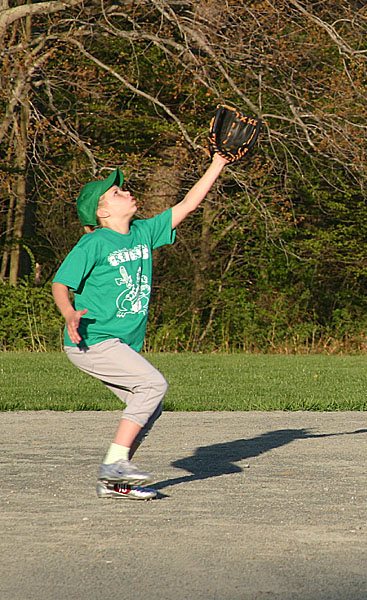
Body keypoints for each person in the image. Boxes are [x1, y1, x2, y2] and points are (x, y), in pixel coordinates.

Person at [52, 153, 229, 499]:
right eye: (115, 193)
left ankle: (115, 481)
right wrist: (69, 312)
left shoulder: (143, 232)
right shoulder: (94, 243)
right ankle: (115, 464)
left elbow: (189, 205)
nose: (126, 192)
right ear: (102, 213)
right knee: (152, 385)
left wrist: (218, 163)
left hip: (117, 342)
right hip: (91, 339)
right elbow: (60, 284)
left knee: (149, 404)